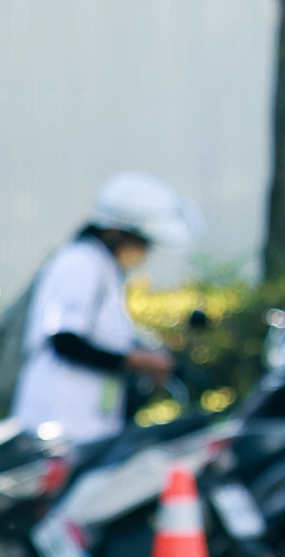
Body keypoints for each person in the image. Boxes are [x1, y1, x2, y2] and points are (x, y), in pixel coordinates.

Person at [11, 173, 206, 443]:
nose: (144, 250)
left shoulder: (105, 270)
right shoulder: (81, 263)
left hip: (87, 424)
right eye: (141, 240)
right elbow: (65, 341)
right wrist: (139, 361)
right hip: (59, 422)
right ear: (114, 232)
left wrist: (144, 354)